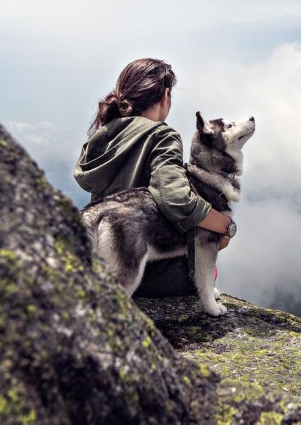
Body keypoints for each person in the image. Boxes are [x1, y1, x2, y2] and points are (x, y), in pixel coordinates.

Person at [73, 58, 234, 297]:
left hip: (105, 268)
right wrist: (225, 226)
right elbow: (176, 197)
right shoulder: (161, 135)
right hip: (151, 275)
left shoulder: (102, 136)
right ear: (166, 94)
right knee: (208, 266)